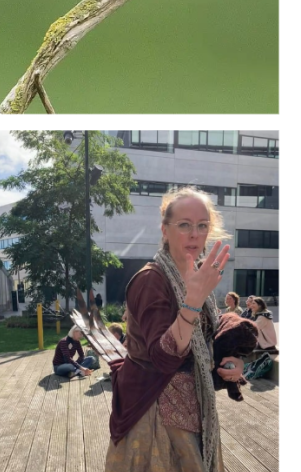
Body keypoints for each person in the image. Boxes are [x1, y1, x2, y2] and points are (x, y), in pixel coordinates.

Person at [105, 187, 245, 472]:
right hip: (154, 411)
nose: (194, 234)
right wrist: (192, 302)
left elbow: (206, 338)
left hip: (196, 408)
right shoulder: (150, 281)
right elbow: (162, 357)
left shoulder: (199, 275)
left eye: (202, 225)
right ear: (165, 230)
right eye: (184, 225)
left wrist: (231, 363)